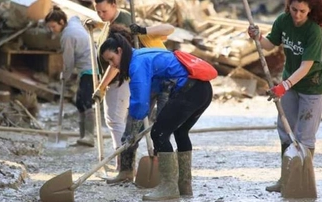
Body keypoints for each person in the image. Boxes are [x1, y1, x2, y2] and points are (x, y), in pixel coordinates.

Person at [99, 33, 213, 200]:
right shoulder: (141, 55)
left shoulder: (136, 64)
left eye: (111, 59)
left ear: (119, 51)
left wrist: (132, 132)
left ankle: (168, 187)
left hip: (189, 90)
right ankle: (184, 186)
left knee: (158, 134)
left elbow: (140, 103)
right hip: (203, 90)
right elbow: (156, 87)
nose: (112, 64)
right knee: (180, 132)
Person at [248, 0, 322, 193]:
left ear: (311, 10)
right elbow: (269, 45)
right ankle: (286, 179)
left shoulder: (313, 31)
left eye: (302, 11)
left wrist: (283, 86)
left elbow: (306, 66)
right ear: (289, 6)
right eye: (294, 9)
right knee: (285, 130)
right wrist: (258, 36)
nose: (297, 14)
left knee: (305, 135)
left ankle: (302, 182)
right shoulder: (283, 21)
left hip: (312, 85)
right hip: (290, 83)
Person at [93, 0, 175, 175]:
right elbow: (138, 100)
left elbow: (139, 103)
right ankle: (126, 171)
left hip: (168, 83)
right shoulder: (131, 61)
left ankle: (165, 175)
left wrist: (143, 30)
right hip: (155, 82)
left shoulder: (137, 61)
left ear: (122, 49)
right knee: (133, 127)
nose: (101, 15)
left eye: (104, 11)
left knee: (160, 129)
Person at [45, 6, 97, 147]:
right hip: (88, 67)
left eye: (53, 26)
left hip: (90, 68)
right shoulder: (73, 23)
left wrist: (65, 76)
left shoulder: (67, 36)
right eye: (50, 27)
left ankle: (89, 137)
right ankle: (83, 136)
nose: (52, 30)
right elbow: (76, 18)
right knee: (80, 101)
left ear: (61, 22)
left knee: (86, 101)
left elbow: (69, 61)